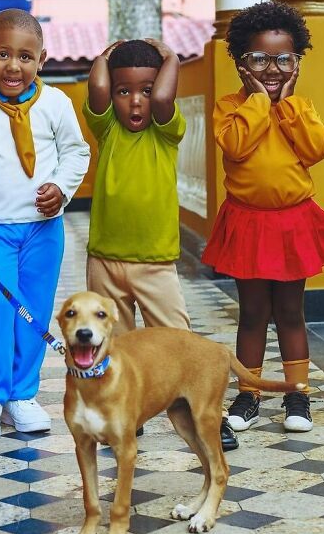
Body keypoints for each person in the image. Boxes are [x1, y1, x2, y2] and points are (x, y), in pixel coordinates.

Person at [202, 0, 324, 433]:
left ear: (297, 61)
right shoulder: (231, 107)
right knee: (252, 314)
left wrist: (286, 107)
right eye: (260, 59)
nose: (273, 68)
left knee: (291, 311)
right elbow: (236, 146)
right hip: (248, 222)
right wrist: (257, 102)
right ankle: (248, 393)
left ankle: (297, 396)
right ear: (240, 62)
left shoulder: (299, 107)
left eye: (284, 58)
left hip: (292, 223)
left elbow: (316, 149)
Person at [83, 38, 238, 452]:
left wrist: (170, 57)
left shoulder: (167, 130)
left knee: (178, 342)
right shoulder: (107, 128)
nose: (136, 103)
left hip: (155, 264)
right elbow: (96, 88)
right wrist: (103, 56)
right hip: (105, 260)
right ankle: (124, 412)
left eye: (146, 91)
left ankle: (211, 415)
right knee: (111, 343)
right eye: (124, 91)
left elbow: (167, 94)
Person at [0, 8, 90, 440]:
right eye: (3, 55)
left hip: (43, 230)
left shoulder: (56, 103)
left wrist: (62, 189)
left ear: (41, 60)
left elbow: (76, 152)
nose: (14, 66)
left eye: (26, 57)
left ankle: (22, 395)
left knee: (34, 310)